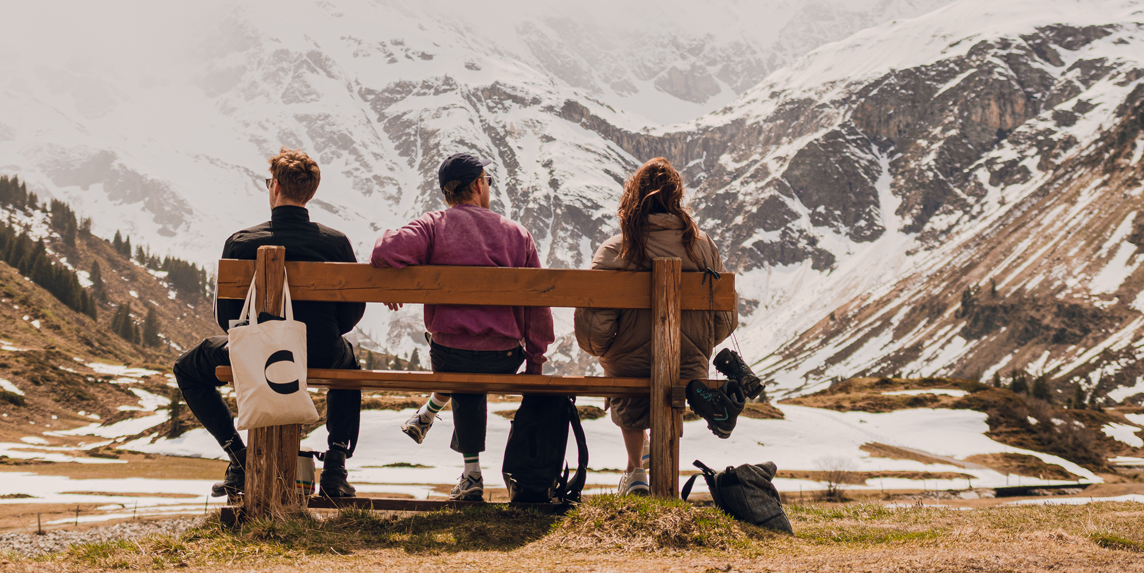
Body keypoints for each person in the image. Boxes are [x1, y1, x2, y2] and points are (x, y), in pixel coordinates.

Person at [172, 147, 364, 500]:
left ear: (275, 187)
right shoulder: (336, 244)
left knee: (188, 367)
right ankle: (335, 467)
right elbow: (351, 317)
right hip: (320, 352)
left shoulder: (242, 242)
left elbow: (228, 319)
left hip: (258, 355)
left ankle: (239, 457)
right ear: (311, 191)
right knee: (349, 361)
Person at [372, 151, 552, 502]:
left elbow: (384, 250)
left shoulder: (433, 225)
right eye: (488, 180)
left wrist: (390, 284)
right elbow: (538, 302)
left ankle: (470, 473)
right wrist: (536, 359)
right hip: (504, 356)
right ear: (477, 185)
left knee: (461, 364)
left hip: (448, 356)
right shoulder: (517, 234)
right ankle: (443, 435)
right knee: (473, 366)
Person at [574, 158, 738, 495]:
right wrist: (699, 344)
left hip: (630, 365)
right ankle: (664, 475)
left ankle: (636, 470)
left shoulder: (616, 249)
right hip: (687, 365)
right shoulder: (703, 247)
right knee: (674, 378)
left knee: (625, 370)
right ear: (676, 198)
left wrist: (605, 351)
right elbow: (725, 320)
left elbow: (594, 328)